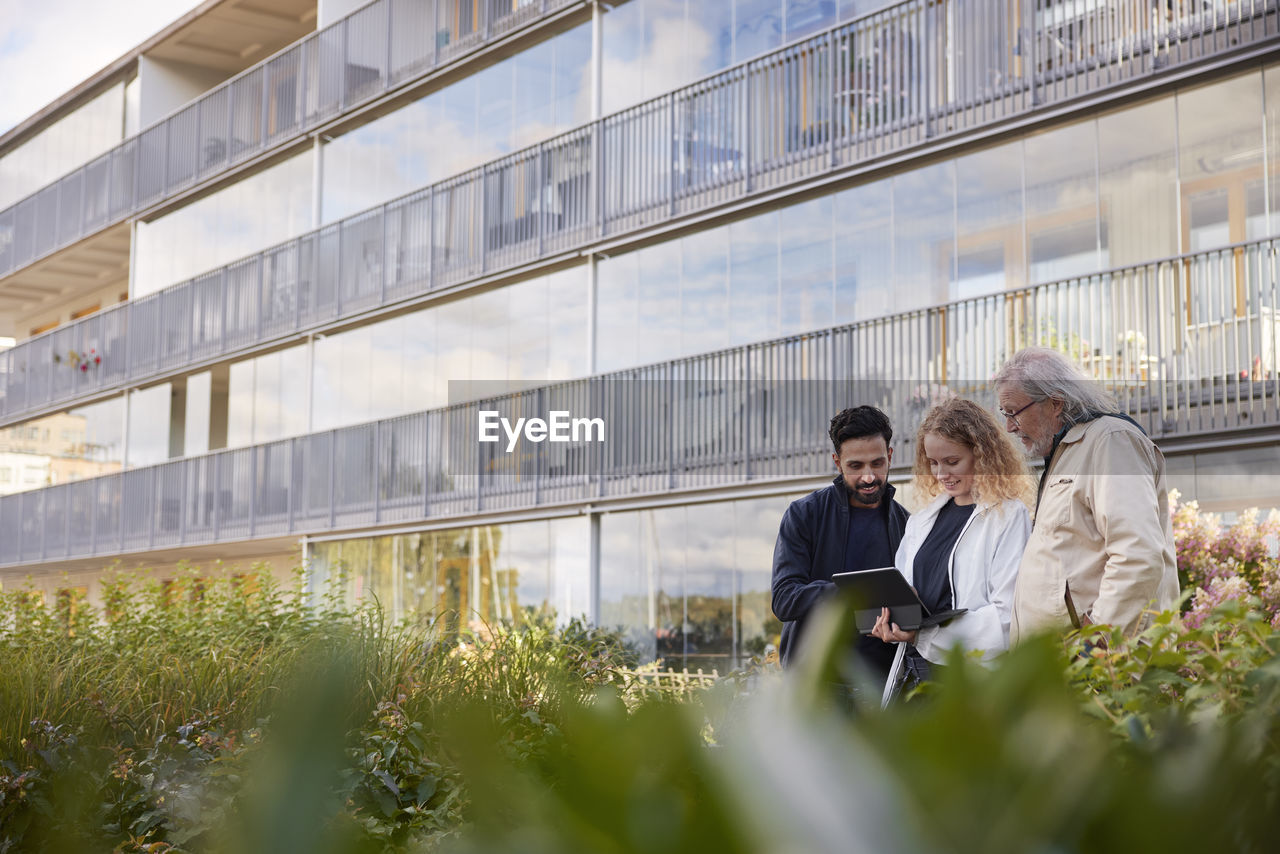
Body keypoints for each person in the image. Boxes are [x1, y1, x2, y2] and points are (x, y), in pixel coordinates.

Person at [992, 347, 1179, 642]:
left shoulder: (1110, 441)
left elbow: (1138, 553)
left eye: (1013, 412)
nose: (1009, 426)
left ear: (1055, 403)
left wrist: (1096, 643)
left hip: (1099, 669)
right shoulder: (1068, 450)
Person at [870, 398, 1032, 693]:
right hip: (915, 676)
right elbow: (906, 592)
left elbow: (1006, 619)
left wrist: (923, 635)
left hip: (973, 680)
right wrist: (892, 618)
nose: (941, 474)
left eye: (952, 461)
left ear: (981, 455)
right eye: (933, 463)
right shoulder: (921, 521)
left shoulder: (1008, 516)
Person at [771, 406, 909, 679]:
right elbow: (784, 598)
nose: (868, 477)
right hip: (816, 687)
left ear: (890, 457)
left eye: (877, 463)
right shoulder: (804, 515)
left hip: (883, 689)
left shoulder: (909, 524)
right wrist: (856, 593)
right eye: (855, 466)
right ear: (837, 462)